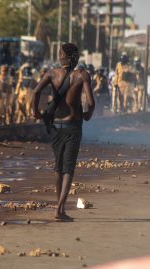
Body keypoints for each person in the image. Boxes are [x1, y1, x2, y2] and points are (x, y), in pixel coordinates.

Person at [32, 43, 95, 222]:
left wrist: (35, 112)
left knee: (58, 167)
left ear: (61, 58)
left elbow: (36, 92)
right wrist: (87, 115)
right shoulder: (82, 75)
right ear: (74, 58)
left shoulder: (52, 74)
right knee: (68, 168)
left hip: (55, 126)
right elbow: (90, 103)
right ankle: (60, 208)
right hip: (73, 126)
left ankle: (60, 207)